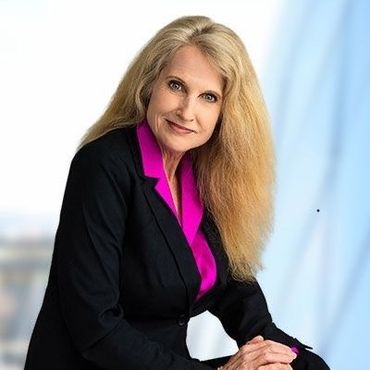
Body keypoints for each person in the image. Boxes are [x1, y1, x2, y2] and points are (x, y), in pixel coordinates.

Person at [24, 15, 330, 370]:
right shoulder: (104, 165)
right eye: (176, 86)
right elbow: (96, 327)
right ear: (150, 83)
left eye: (208, 97)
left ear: (225, 112)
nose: (187, 111)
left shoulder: (206, 176)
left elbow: (238, 296)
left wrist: (289, 358)